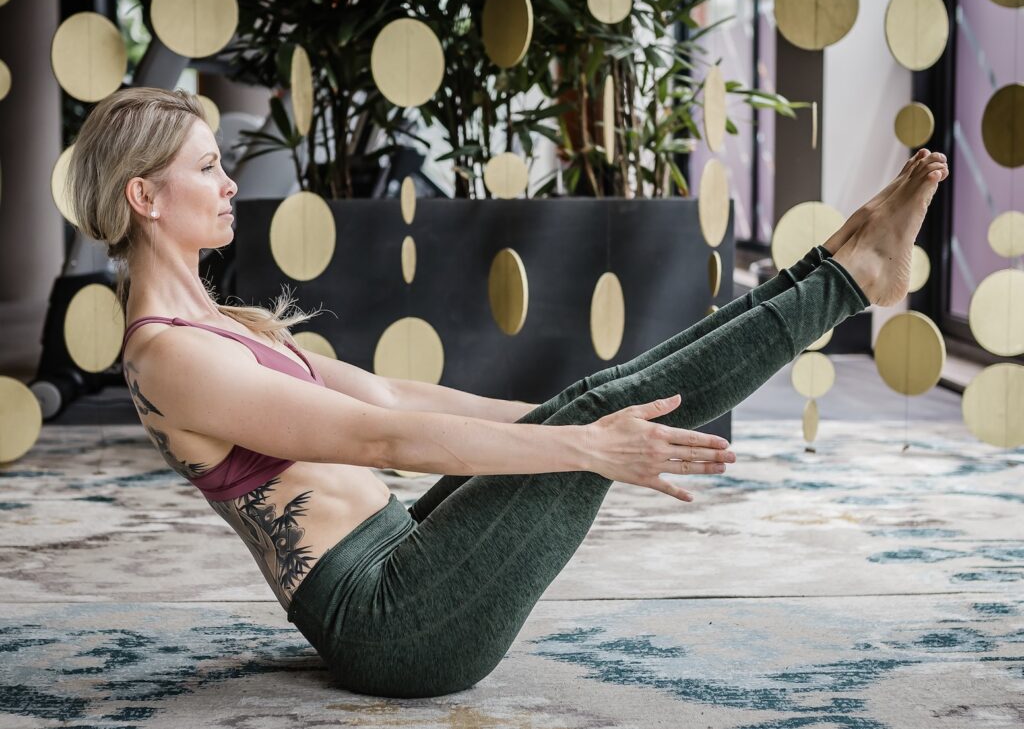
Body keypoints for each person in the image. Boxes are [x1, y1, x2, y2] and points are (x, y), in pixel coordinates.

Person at [68, 87, 948, 698]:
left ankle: (833, 267)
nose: (230, 184)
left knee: (594, 397)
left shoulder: (220, 324)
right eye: (208, 168)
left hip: (400, 558)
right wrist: (581, 444)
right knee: (592, 419)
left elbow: (390, 395)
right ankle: (845, 279)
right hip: (393, 624)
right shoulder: (170, 356)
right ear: (145, 195)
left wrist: (561, 420)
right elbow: (376, 441)